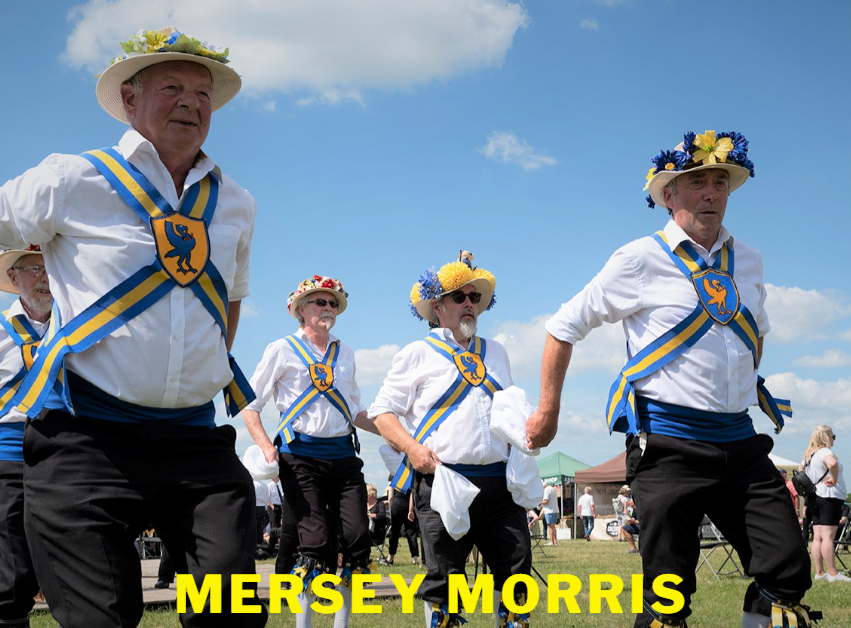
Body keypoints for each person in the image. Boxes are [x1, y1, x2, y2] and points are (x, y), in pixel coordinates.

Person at [0, 27, 265, 628]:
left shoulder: (237, 202)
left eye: (203, 93)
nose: (190, 103)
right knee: (102, 618)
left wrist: (190, 373)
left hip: (195, 443)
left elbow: (230, 300)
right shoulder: (71, 178)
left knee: (230, 614)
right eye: (171, 87)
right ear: (129, 100)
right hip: (84, 438)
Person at [525, 130, 818, 627]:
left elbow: (757, 333)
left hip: (739, 441)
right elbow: (562, 327)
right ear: (668, 195)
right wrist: (547, 411)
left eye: (720, 183)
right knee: (668, 593)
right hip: (668, 444)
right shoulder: (639, 258)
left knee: (787, 568)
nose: (711, 193)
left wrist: (737, 383)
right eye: (697, 182)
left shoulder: (749, 260)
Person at [370, 251, 532, 628]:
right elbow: (382, 412)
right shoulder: (416, 353)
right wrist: (412, 449)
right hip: (444, 481)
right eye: (460, 296)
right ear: (437, 308)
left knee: (516, 574)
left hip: (500, 483)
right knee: (446, 581)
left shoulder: (497, 352)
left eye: (475, 297)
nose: (469, 304)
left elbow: (510, 409)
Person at [241, 274, 379, 628]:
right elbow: (249, 403)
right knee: (314, 542)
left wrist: (397, 434)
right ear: (300, 309)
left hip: (344, 456)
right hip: (300, 457)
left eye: (333, 303)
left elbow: (356, 410)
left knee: (357, 538)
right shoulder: (281, 349)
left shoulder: (345, 352)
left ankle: (341, 624)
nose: (328, 307)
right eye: (321, 301)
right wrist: (265, 446)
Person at [0, 246, 51, 628]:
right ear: (13, 277)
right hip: (10, 453)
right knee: (12, 571)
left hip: (67, 452)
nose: (44, 277)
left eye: (49, 267)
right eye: (33, 268)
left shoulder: (81, 326)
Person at [800, 425, 849, 582]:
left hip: (814, 497)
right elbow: (832, 463)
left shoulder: (809, 454)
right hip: (829, 496)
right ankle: (833, 573)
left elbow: (800, 469)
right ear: (826, 437)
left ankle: (819, 572)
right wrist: (834, 479)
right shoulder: (824, 451)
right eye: (833, 436)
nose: (833, 440)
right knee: (828, 536)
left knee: (818, 537)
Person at [383, 479, 421, 566]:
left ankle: (390, 557)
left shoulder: (394, 476)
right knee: (411, 533)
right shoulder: (410, 477)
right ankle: (415, 559)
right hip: (408, 505)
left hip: (396, 505)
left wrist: (391, 507)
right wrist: (411, 509)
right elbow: (412, 493)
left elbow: (390, 496)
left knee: (394, 533)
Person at [540, 480, 560, 546]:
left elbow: (546, 501)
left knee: (550, 526)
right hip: (555, 509)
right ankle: (555, 541)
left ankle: (551, 541)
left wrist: (539, 502)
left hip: (549, 510)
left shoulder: (546, 490)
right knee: (553, 526)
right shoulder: (553, 489)